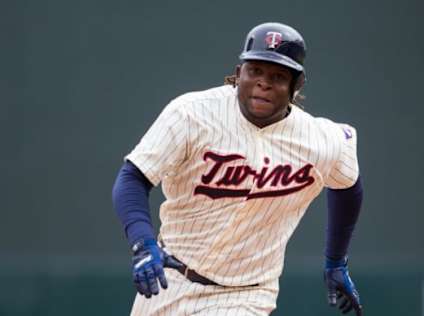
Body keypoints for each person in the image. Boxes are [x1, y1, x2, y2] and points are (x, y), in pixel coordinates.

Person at [112, 22, 364, 316]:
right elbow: (133, 177)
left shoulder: (322, 140)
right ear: (238, 72)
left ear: (297, 85)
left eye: (278, 76)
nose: (263, 83)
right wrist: (142, 242)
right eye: (255, 71)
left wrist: (336, 261)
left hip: (247, 294)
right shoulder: (191, 114)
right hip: (170, 280)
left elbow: (348, 187)